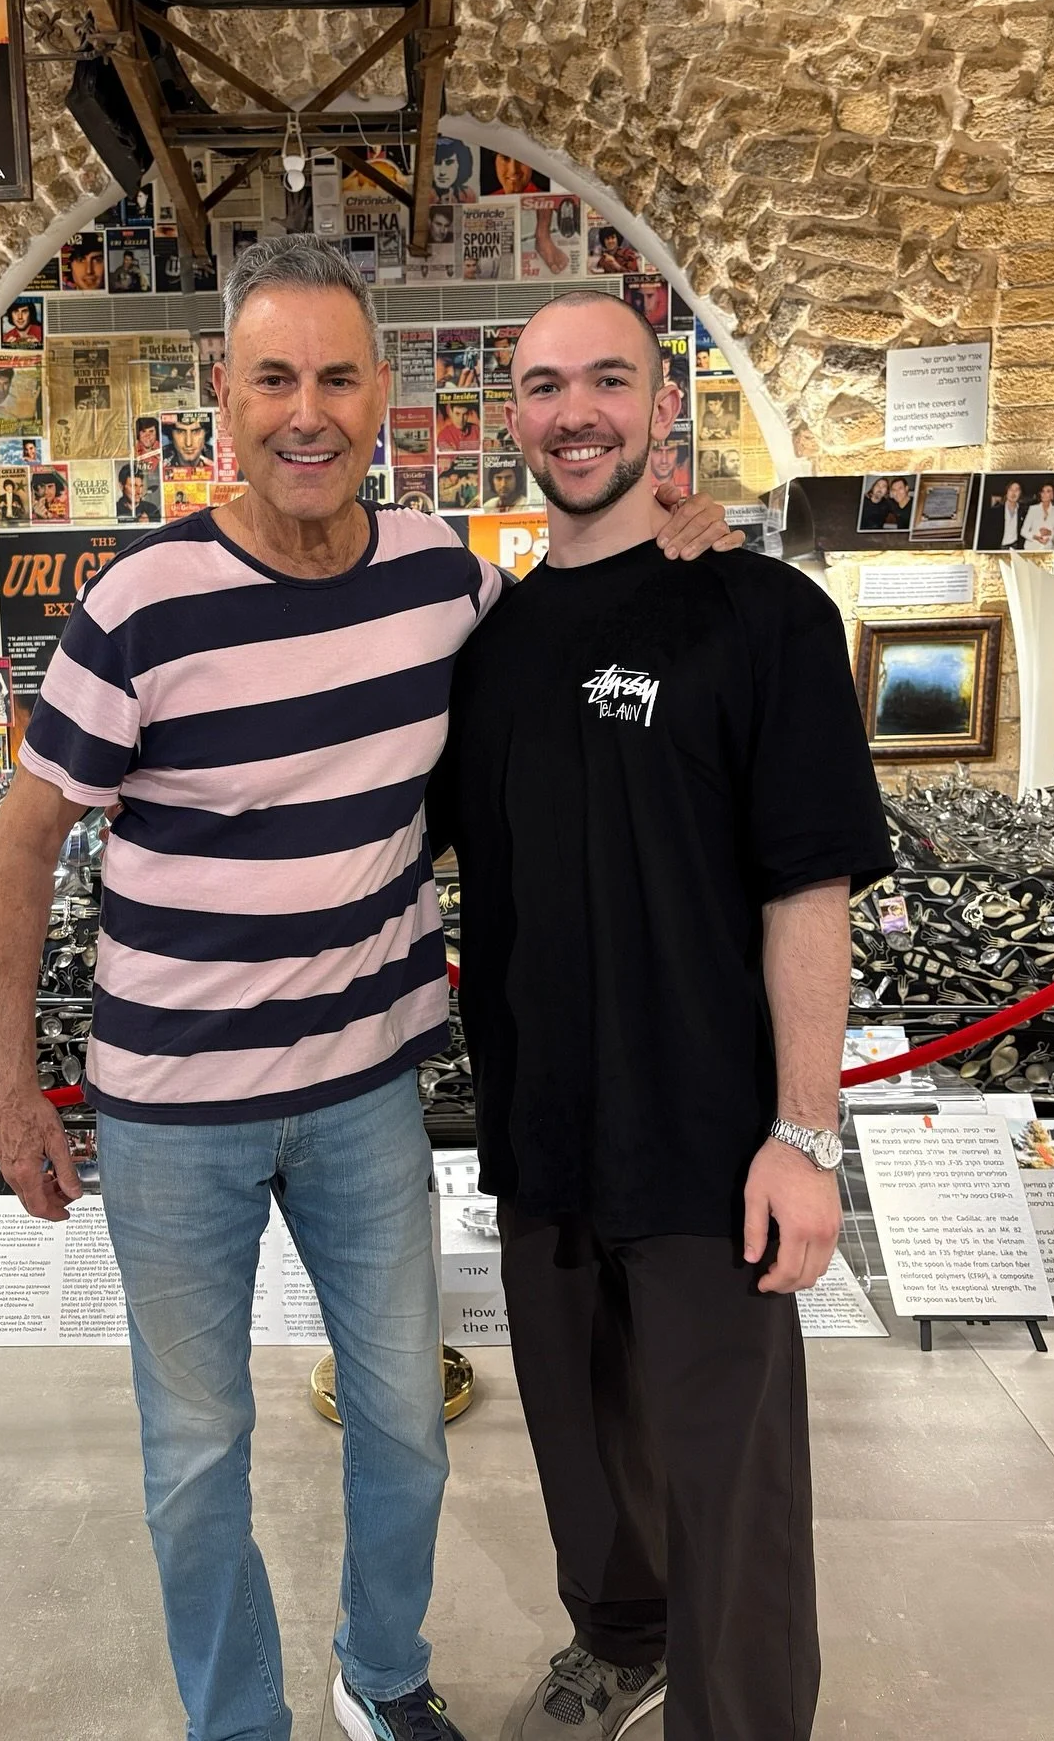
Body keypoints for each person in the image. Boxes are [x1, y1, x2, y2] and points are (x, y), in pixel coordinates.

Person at [0, 236, 736, 1741]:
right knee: (198, 1446)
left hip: (363, 1092)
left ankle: (380, 1671)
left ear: (383, 393)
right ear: (225, 395)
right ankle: (237, 1720)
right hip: (173, 1111)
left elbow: (568, 629)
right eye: (274, 379)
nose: (307, 412)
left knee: (405, 1416)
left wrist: (677, 528)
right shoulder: (141, 602)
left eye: (337, 377)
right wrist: (13, 1083)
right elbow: (25, 839)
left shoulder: (440, 577)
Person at [428, 289, 893, 1741]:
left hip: (708, 1138)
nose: (576, 412)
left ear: (662, 407)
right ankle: (621, 1642)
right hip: (542, 1128)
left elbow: (809, 883)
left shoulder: (760, 613)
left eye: (608, 381)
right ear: (510, 414)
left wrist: (804, 1133)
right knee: (582, 1446)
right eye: (545, 385)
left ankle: (741, 1717)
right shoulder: (489, 645)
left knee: (726, 1478)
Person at [162, 412, 214, 478]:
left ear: (206, 432)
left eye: (196, 431)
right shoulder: (161, 458)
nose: (188, 443)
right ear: (170, 433)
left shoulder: (216, 457)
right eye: (180, 431)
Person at [1022, 480, 1054, 550]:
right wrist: (1036, 537)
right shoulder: (1033, 509)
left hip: (1047, 548)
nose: (1044, 494)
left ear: (1053, 495)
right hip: (1031, 547)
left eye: (1048, 491)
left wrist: (1049, 533)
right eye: (1043, 491)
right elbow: (1023, 531)